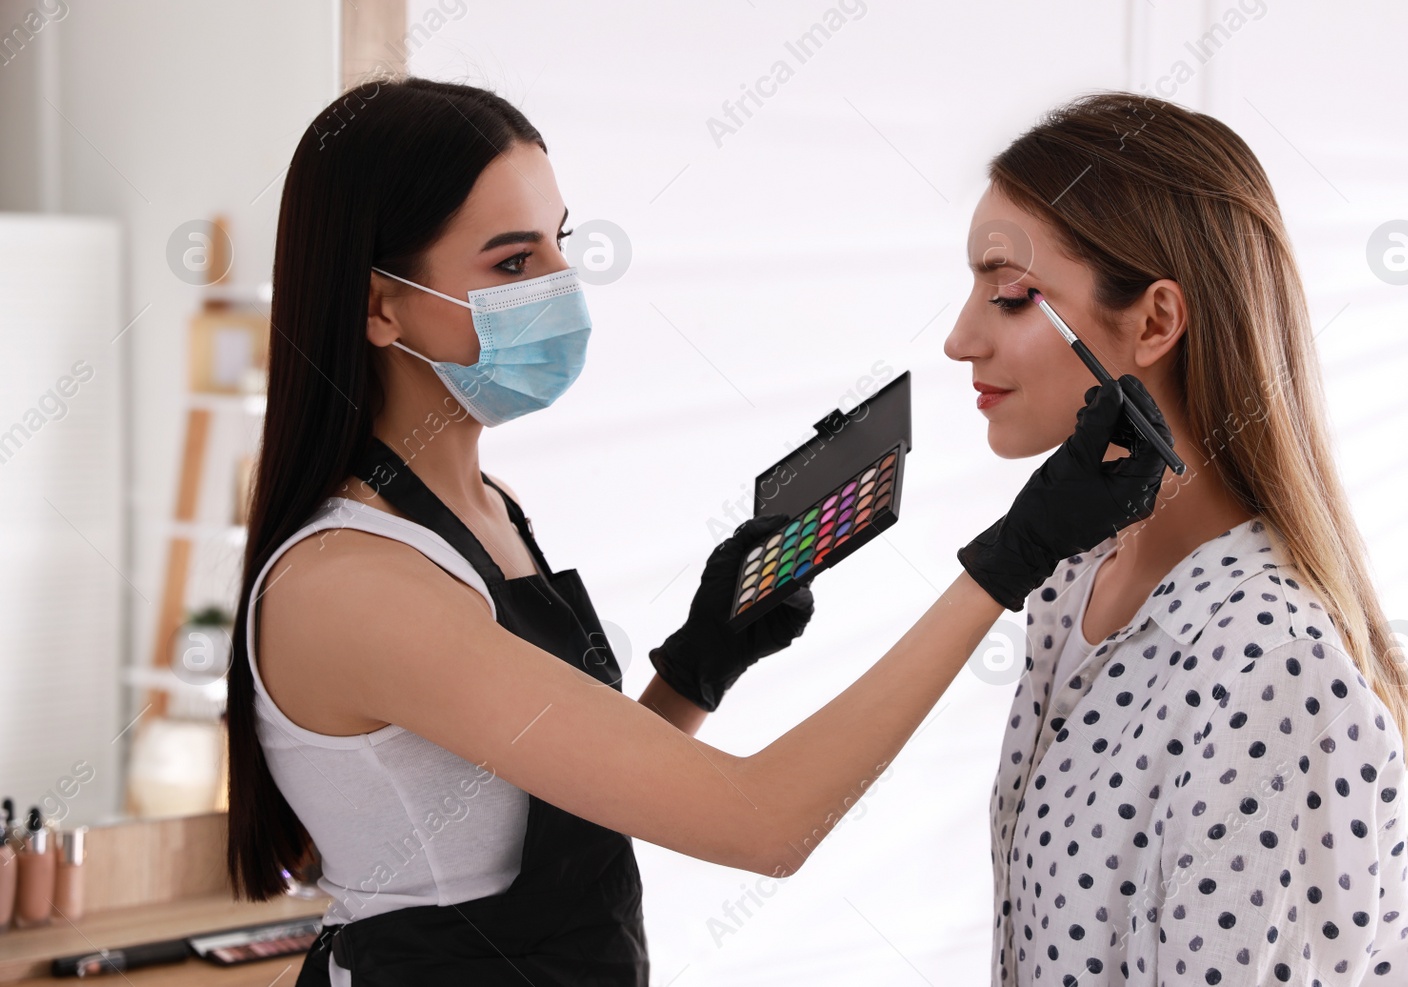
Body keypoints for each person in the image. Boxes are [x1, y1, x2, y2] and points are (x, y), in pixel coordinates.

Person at [226, 76, 1174, 986]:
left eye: (560, 243)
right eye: (514, 263)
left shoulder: (487, 508)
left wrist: (696, 666)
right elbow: (766, 825)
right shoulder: (351, 584)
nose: (564, 284)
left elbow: (556, 811)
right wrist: (1013, 554)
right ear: (380, 304)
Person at [943, 91, 1408, 985]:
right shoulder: (1076, 582)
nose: (958, 338)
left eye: (1011, 296)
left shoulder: (1269, 668)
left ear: (1157, 322)